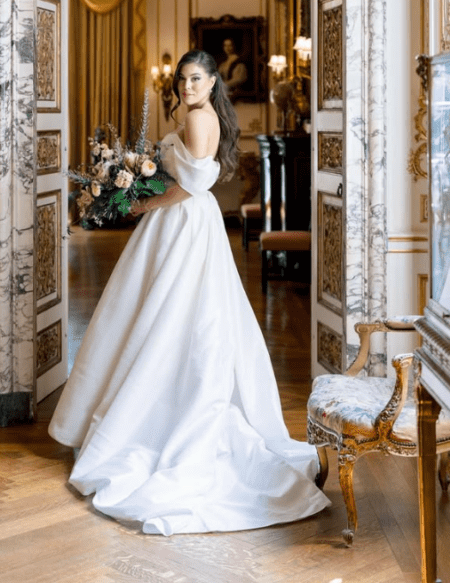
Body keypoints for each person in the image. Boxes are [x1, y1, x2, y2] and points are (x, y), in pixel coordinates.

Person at [48, 50, 330, 536]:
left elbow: (193, 182)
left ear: (213, 81)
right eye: (182, 79)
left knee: (170, 313)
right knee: (162, 310)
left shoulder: (200, 118)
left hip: (183, 220)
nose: (187, 86)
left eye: (196, 79)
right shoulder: (199, 114)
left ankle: (154, 416)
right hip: (184, 221)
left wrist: (147, 203)